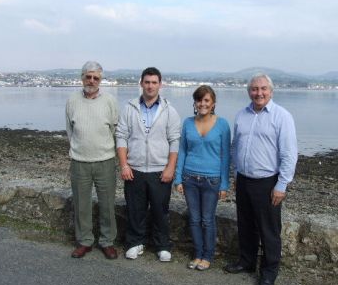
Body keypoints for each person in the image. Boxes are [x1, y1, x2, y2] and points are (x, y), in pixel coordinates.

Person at [225, 73, 297, 285]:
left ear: (271, 91)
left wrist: (281, 185)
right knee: (246, 225)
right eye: (255, 89)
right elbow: (236, 147)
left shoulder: (282, 117)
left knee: (269, 230)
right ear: (249, 92)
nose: (259, 93)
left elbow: (289, 154)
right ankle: (246, 262)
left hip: (267, 182)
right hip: (244, 180)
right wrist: (236, 174)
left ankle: (269, 272)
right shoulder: (241, 116)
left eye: (263, 89)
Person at [116, 67, 181, 262]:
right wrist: (124, 165)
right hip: (134, 168)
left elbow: (175, 140)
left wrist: (170, 167)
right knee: (135, 209)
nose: (150, 86)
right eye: (147, 82)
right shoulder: (129, 107)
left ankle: (162, 245)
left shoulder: (169, 110)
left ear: (160, 84)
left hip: (159, 169)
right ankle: (135, 243)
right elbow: (121, 136)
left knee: (161, 210)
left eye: (154, 82)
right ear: (141, 83)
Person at [66, 61, 119, 260]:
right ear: (82, 78)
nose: (91, 80)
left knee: (107, 204)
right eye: (88, 76)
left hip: (105, 160)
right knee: (82, 204)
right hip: (79, 161)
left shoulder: (110, 101)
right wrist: (78, 149)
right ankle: (84, 241)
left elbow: (115, 129)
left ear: (100, 80)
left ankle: (107, 242)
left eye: (96, 77)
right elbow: (69, 130)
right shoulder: (72, 101)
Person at [174, 85, 230, 271]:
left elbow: (225, 156)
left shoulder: (222, 125)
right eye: (199, 100)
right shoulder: (188, 123)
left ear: (213, 103)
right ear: (195, 103)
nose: (202, 104)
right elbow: (182, 151)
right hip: (189, 177)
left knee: (207, 219)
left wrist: (224, 184)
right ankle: (198, 254)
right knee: (194, 219)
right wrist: (178, 178)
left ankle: (208, 256)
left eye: (206, 100)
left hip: (211, 180)